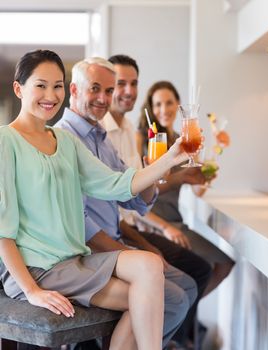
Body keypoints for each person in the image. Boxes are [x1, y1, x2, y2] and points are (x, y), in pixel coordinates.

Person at [0, 50, 190, 350]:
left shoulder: (66, 142)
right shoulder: (5, 141)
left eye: (57, 85)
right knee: (144, 298)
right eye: (41, 85)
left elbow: (117, 185)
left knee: (149, 265)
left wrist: (171, 158)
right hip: (38, 268)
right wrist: (32, 290)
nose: (51, 95)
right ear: (18, 88)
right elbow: (2, 233)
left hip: (75, 260)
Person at [56, 57, 198, 349]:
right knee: (173, 298)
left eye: (109, 91)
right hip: (86, 253)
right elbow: (78, 220)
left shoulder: (101, 137)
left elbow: (133, 197)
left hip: (115, 243)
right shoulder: (64, 139)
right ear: (74, 90)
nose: (104, 98)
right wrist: (129, 252)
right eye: (96, 89)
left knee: (187, 285)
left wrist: (156, 169)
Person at [100, 54, 213, 348]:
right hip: (129, 229)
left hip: (129, 227)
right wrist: (158, 232)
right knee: (192, 275)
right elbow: (127, 195)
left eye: (133, 83)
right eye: (119, 83)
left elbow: (139, 192)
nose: (127, 90)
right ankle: (177, 339)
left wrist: (193, 177)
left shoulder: (129, 133)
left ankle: (174, 338)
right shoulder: (109, 134)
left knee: (195, 274)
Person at [137, 80, 235, 297]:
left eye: (169, 103)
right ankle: (183, 316)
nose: (164, 109)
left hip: (176, 222)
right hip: (150, 223)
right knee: (190, 276)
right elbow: (136, 196)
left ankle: (186, 316)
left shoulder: (183, 141)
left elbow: (197, 191)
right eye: (158, 104)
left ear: (178, 105)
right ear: (151, 109)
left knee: (223, 264)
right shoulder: (142, 140)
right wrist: (165, 228)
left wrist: (205, 177)